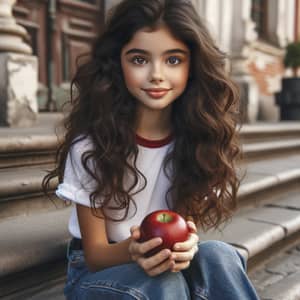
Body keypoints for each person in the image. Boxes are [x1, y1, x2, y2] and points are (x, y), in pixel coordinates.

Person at [43, 0, 260, 299]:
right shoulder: (92, 147)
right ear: (117, 63)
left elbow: (182, 226)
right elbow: (95, 255)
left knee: (220, 255)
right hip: (96, 273)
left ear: (192, 67)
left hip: (162, 266)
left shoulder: (196, 141)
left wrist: (187, 246)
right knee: (165, 284)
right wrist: (134, 251)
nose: (156, 74)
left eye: (173, 60)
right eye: (139, 60)